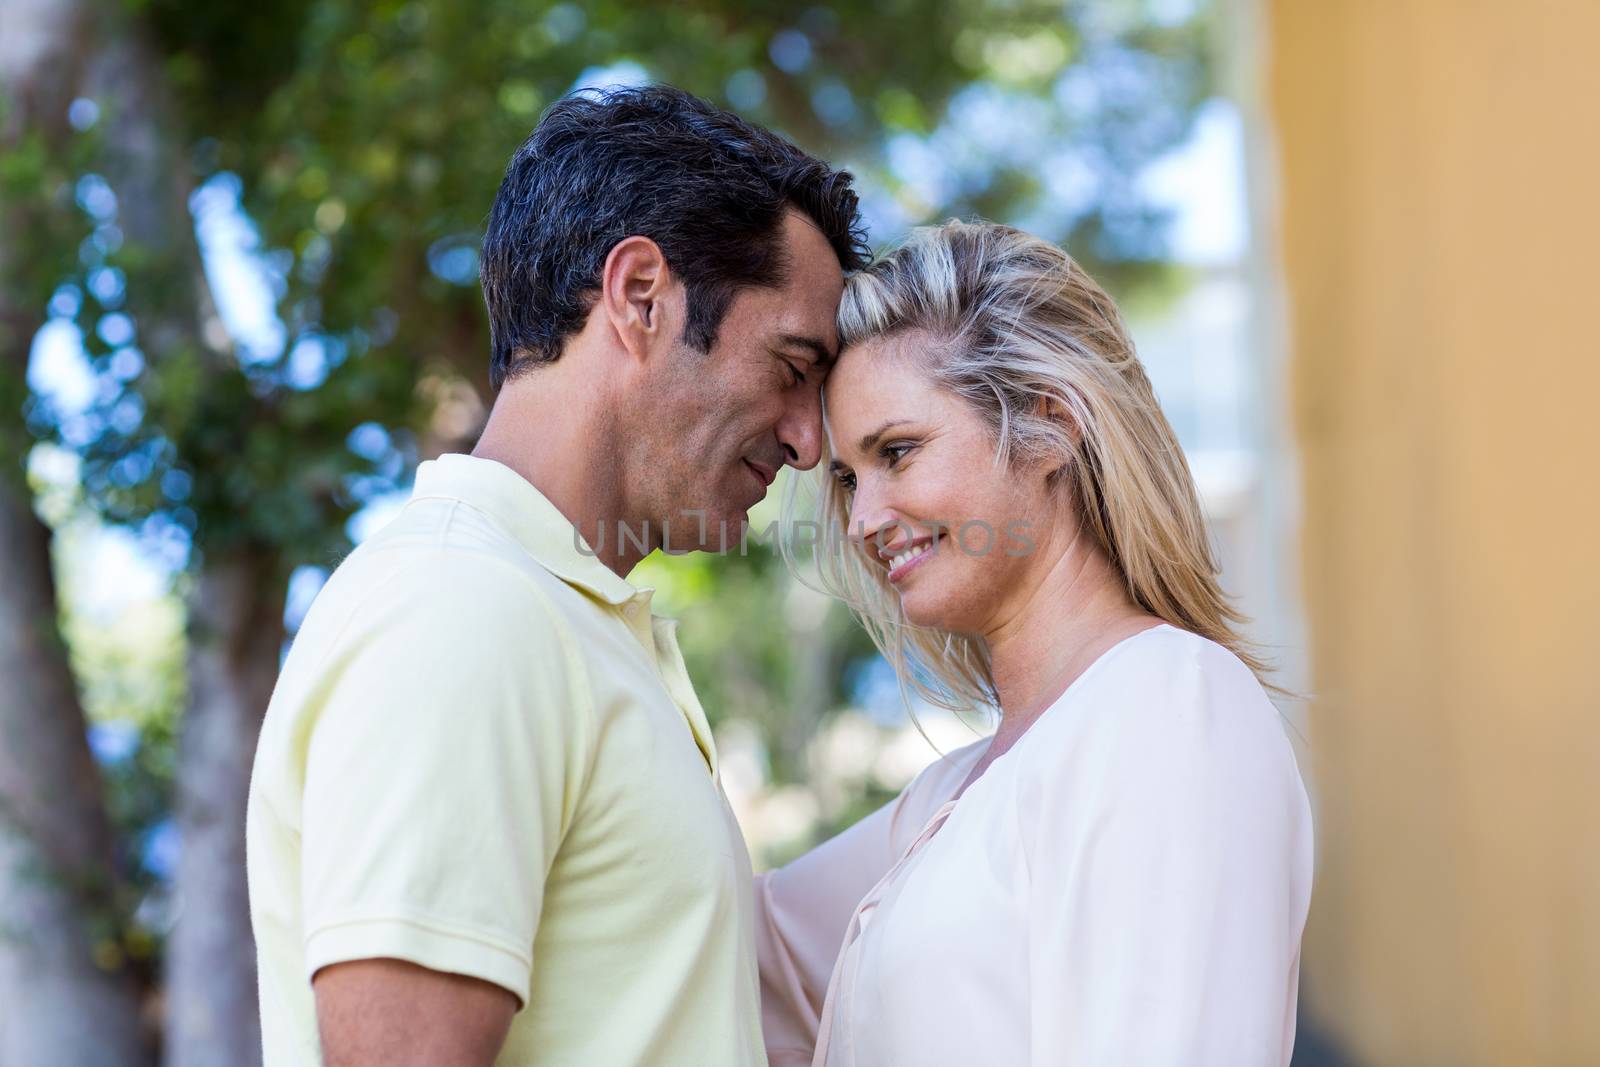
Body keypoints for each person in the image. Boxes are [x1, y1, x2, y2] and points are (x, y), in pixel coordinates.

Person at [245, 84, 867, 1066]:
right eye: (793, 367)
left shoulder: (561, 618)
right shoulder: (463, 612)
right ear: (640, 296)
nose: (805, 441)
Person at [757, 221, 1314, 1066]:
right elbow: (729, 954)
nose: (864, 518)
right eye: (846, 477)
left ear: (1049, 427)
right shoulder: (947, 796)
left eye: (897, 452)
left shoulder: (1170, 706)